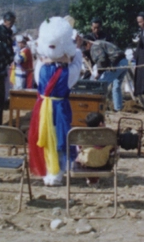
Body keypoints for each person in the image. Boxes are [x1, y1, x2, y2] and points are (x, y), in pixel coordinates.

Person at [27, 17, 84, 186]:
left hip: (42, 107)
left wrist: (48, 57)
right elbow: (77, 63)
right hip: (59, 108)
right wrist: (76, 49)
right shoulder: (68, 74)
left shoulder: (40, 69)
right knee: (60, 138)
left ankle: (47, 171)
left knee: (44, 137)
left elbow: (41, 59)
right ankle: (57, 173)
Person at [89, 19, 127, 111]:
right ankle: (118, 108)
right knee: (116, 86)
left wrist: (99, 72)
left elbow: (102, 59)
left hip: (116, 63)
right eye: (94, 28)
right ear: (91, 27)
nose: (96, 30)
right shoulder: (89, 37)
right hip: (122, 62)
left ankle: (98, 106)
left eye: (98, 28)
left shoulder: (98, 43)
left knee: (102, 84)